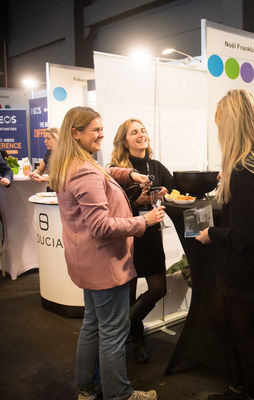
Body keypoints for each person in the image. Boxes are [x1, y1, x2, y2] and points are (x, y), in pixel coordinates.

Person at [49, 106, 164, 400]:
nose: (101, 134)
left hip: (87, 263)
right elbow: (101, 227)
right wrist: (144, 222)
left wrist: (130, 174)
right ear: (76, 133)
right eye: (95, 130)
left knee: (92, 325)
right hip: (105, 264)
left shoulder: (71, 164)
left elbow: (106, 173)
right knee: (113, 332)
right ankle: (120, 394)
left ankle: (87, 388)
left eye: (102, 129)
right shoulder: (84, 170)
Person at [195, 89, 254, 400]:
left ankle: (251, 393)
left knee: (245, 337)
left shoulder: (244, 169)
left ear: (231, 125)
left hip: (245, 268)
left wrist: (213, 234)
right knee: (222, 320)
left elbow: (249, 237)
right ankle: (238, 386)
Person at [110, 118, 174, 364]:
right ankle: (137, 339)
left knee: (158, 289)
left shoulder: (155, 165)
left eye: (143, 131)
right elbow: (112, 205)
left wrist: (164, 192)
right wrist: (137, 202)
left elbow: (172, 184)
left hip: (152, 235)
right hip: (127, 237)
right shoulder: (116, 169)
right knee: (128, 293)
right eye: (134, 132)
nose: (141, 135)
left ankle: (125, 327)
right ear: (124, 141)